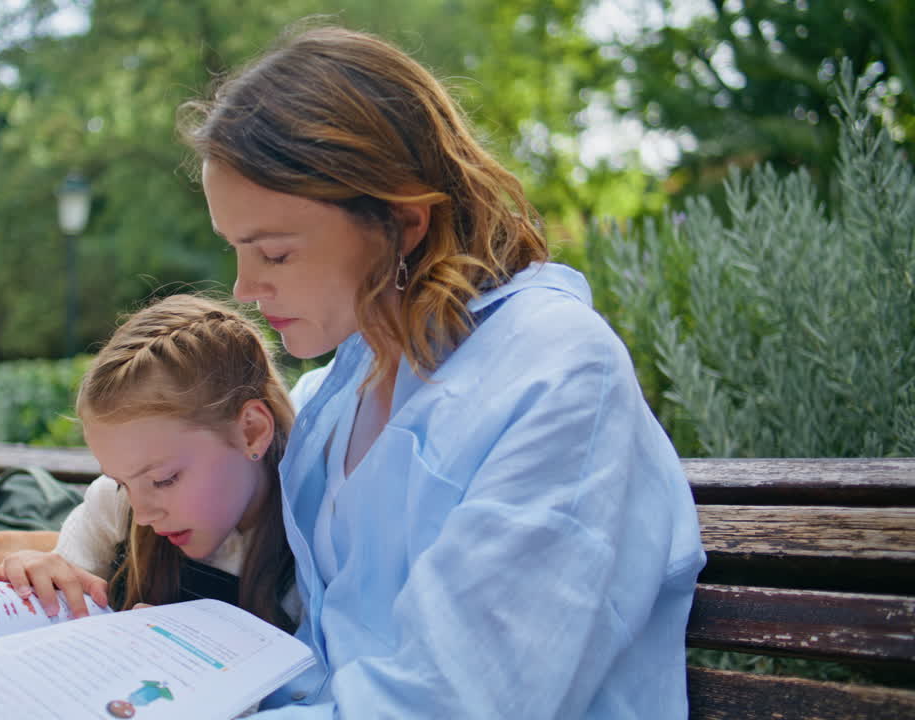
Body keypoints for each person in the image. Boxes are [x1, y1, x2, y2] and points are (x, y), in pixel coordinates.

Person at [173, 24, 707, 718]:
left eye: (274, 253)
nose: (244, 288)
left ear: (404, 222)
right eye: (236, 249)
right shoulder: (349, 380)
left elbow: (456, 700)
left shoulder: (559, 372)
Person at [0, 294, 299, 631]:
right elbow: (63, 596)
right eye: (123, 482)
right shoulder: (114, 506)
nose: (143, 513)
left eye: (164, 480)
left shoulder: (316, 544)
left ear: (251, 431)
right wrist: (39, 575)